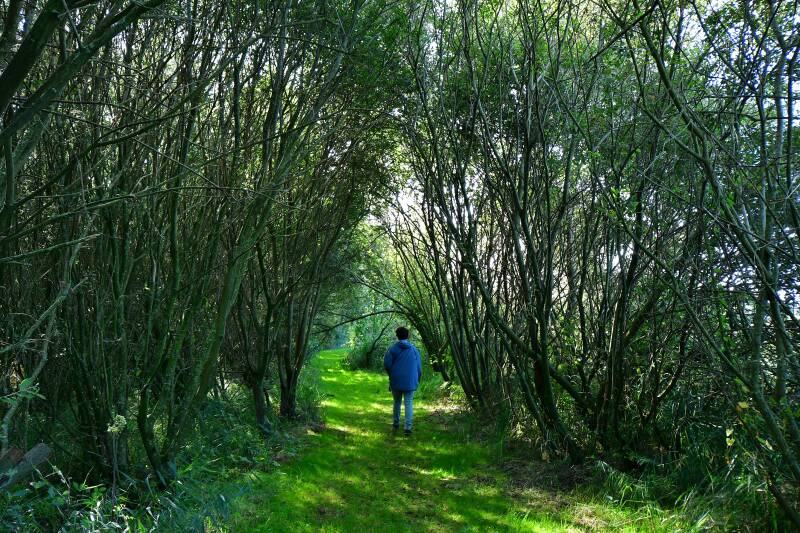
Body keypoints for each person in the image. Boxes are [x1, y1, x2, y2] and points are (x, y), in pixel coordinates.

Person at [383, 326, 422, 436]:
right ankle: (407, 428)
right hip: (410, 381)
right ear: (408, 336)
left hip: (396, 380)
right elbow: (419, 368)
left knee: (397, 402)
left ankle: (396, 423)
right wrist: (417, 380)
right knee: (408, 403)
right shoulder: (414, 350)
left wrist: (391, 374)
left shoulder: (392, 349)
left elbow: (386, 364)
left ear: (397, 336)